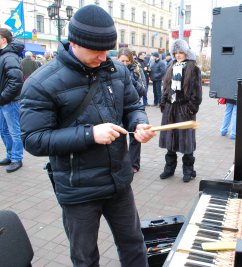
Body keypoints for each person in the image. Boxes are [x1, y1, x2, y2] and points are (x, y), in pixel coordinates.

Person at [19, 5, 156, 267]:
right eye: (97, 51)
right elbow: (34, 140)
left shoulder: (117, 70)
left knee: (135, 245)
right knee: (85, 258)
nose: (105, 57)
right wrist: (90, 134)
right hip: (77, 188)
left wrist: (140, 124)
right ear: (74, 43)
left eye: (108, 50)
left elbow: (133, 107)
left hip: (118, 180)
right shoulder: (41, 83)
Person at [159, 39, 202, 182]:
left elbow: (197, 93)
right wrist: (164, 103)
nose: (178, 55)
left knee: (186, 142)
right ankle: (169, 169)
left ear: (186, 53)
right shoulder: (171, 66)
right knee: (170, 140)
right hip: (171, 109)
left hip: (184, 109)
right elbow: (166, 88)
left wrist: (190, 109)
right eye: (176, 52)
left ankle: (188, 170)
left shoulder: (193, 69)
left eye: (181, 52)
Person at [117, 48, 147, 173]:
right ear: (117, 59)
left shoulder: (136, 70)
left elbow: (143, 90)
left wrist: (131, 81)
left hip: (133, 107)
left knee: (135, 135)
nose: (124, 64)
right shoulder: (113, 70)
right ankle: (121, 163)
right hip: (117, 108)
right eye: (122, 61)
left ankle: (134, 163)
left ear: (131, 60)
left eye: (127, 61)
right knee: (119, 137)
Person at [0, 28, 24, 173]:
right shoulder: (3, 55)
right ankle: (10, 155)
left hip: (10, 101)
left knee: (14, 131)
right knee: (3, 130)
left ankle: (16, 158)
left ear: (3, 40)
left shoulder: (9, 56)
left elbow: (16, 81)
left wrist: (2, 97)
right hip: (3, 101)